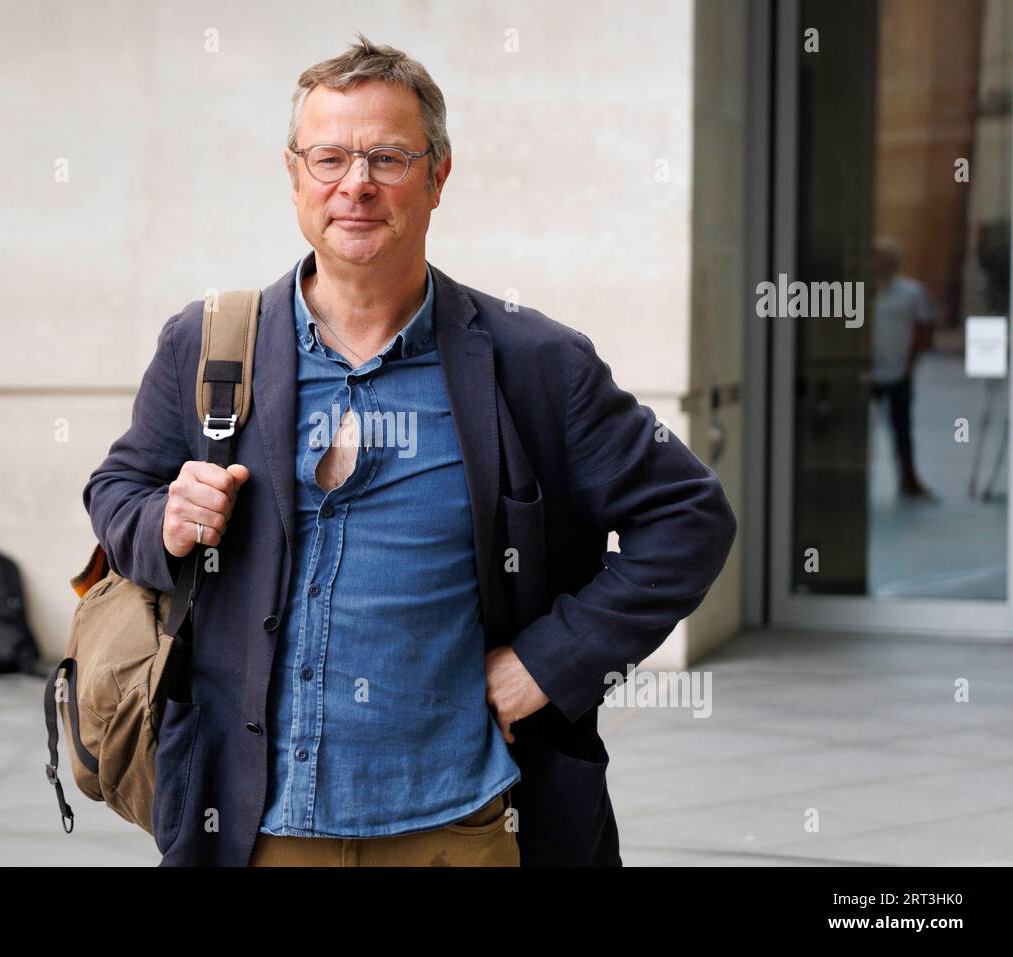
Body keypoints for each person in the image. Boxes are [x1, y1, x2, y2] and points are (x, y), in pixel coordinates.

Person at [83, 33, 737, 867]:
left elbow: (690, 517)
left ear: (438, 175)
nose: (356, 184)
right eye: (329, 158)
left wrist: (548, 662)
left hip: (462, 825)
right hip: (253, 824)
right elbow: (116, 488)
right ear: (294, 177)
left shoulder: (534, 364)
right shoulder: (210, 346)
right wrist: (164, 520)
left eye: (388, 157)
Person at [868, 236, 937, 500]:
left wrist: (911, 365)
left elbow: (924, 329)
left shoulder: (912, 292)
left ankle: (908, 480)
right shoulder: (861, 291)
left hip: (898, 372)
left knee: (901, 428)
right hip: (868, 374)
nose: (880, 265)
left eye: (885, 260)